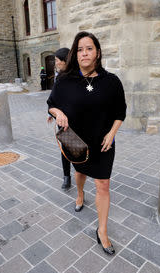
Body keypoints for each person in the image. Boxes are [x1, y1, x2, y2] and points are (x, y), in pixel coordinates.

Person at [47, 32, 126, 255]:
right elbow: (51, 104)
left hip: (103, 143)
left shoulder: (111, 81)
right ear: (76, 53)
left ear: (97, 52)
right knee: (80, 172)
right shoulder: (64, 79)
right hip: (76, 140)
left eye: (89, 48)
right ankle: (80, 194)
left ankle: (102, 231)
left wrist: (112, 133)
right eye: (80, 49)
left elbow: (121, 112)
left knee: (103, 184)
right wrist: (58, 112)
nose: (84, 53)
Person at [53, 47, 71, 190]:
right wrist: (53, 113)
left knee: (79, 147)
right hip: (63, 121)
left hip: (78, 120)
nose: (56, 63)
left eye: (57, 60)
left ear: (65, 61)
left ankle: (81, 172)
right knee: (65, 149)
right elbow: (53, 100)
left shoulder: (79, 76)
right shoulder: (58, 78)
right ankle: (67, 177)